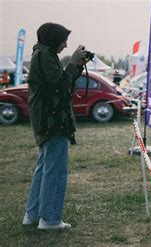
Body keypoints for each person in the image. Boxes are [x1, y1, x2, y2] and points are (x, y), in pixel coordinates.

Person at [22, 22, 89, 230]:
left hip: (46, 119)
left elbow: (59, 82)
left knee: (44, 167)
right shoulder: (45, 55)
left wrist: (76, 66)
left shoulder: (42, 54)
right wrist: (74, 63)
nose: (66, 45)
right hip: (52, 121)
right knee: (55, 169)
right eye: (63, 40)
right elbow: (59, 84)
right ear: (53, 38)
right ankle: (50, 219)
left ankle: (32, 215)